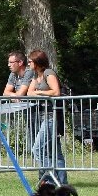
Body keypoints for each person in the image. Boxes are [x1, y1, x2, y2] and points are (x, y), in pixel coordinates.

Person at [27, 49, 68, 186]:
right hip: (43, 116)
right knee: (54, 151)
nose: (28, 63)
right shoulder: (35, 76)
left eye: (30, 61)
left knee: (37, 149)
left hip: (52, 117)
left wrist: (39, 92)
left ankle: (50, 180)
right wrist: (41, 93)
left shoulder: (48, 73)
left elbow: (56, 92)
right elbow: (29, 93)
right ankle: (62, 183)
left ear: (37, 62)